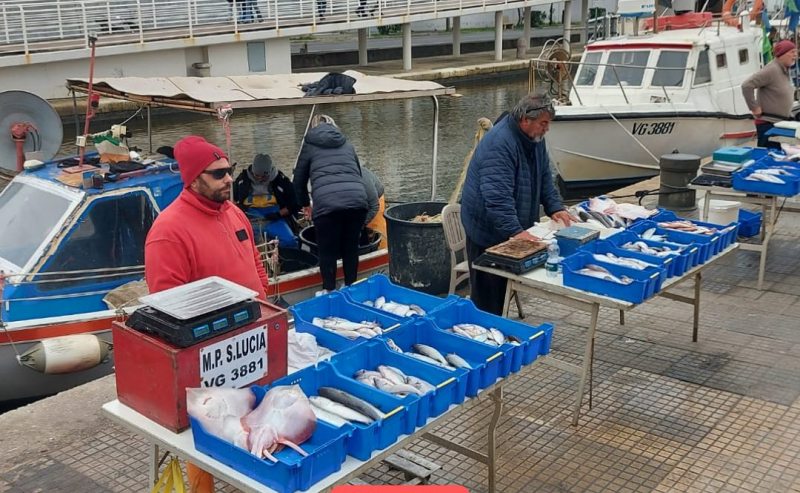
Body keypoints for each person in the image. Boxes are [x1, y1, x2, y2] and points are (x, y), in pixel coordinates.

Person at [145, 135, 269, 493]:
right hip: (209, 356)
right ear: (193, 179)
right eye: (217, 174)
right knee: (204, 437)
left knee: (254, 421)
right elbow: (167, 306)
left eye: (229, 171)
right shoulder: (168, 232)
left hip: (253, 340)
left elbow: (254, 261)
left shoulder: (233, 211)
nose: (229, 179)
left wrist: (268, 303)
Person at [460, 93, 573, 315]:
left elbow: (544, 178)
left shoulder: (535, 139)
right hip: (485, 229)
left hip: (507, 226)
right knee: (487, 294)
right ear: (525, 120)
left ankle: (500, 327)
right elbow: (497, 197)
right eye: (543, 123)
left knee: (504, 286)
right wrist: (515, 231)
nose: (546, 129)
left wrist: (555, 207)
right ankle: (484, 336)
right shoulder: (499, 144)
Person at [293, 114, 368, 293]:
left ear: (313, 128)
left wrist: (306, 205)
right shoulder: (347, 144)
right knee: (351, 248)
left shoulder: (309, 145)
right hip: (357, 201)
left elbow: (298, 182)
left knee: (327, 251)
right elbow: (358, 173)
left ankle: (329, 292)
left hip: (326, 205)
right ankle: (351, 289)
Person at [233, 153, 300, 247]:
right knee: (244, 244)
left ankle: (283, 257)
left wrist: (278, 214)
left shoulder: (281, 180)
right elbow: (231, 199)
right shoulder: (242, 180)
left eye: (264, 176)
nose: (260, 179)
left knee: (290, 241)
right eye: (257, 175)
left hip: (274, 217)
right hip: (250, 217)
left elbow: (295, 203)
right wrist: (239, 207)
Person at [742, 39, 797, 149]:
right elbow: (747, 85)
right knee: (769, 155)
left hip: (781, 123)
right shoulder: (772, 69)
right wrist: (754, 108)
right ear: (782, 54)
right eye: (792, 52)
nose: (795, 55)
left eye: (796, 52)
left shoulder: (785, 70)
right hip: (768, 124)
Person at [361, 166, 388, 249]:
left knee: (376, 228)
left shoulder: (363, 178)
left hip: (375, 200)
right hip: (355, 201)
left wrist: (362, 224)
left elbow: (374, 206)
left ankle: (383, 252)